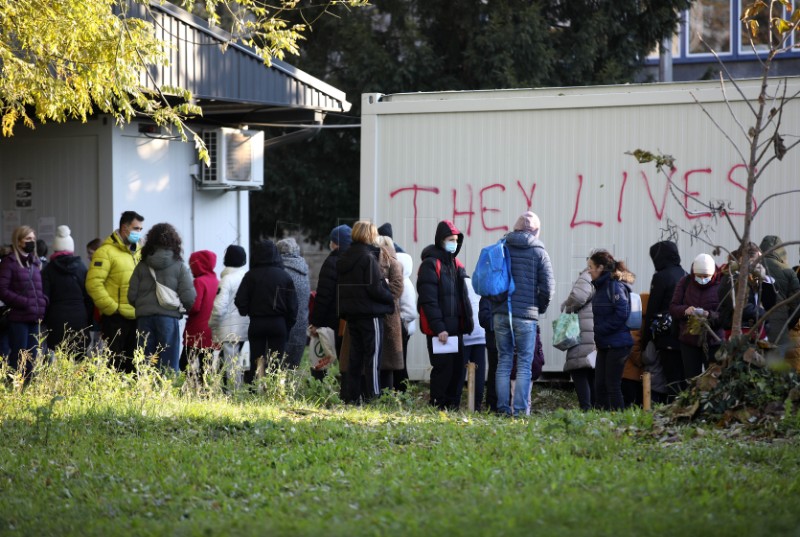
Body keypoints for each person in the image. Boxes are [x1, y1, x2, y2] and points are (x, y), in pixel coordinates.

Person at [493, 212, 554, 416]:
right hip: (526, 316)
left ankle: (502, 409)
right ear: (535, 231)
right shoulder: (539, 253)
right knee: (524, 365)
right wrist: (539, 308)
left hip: (501, 314)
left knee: (504, 361)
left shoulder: (502, 246)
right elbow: (548, 288)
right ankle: (519, 411)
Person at [417, 220, 473, 411]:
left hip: (456, 329)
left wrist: (468, 324)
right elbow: (429, 301)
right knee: (443, 370)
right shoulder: (430, 265)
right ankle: (438, 406)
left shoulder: (456, 265)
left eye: (456, 240)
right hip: (439, 330)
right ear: (441, 240)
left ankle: (453, 406)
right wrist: (439, 327)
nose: (454, 243)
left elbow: (464, 297)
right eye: (450, 239)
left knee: (457, 371)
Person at [337, 221, 395, 404]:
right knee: (373, 357)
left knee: (355, 357)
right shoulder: (368, 258)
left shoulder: (345, 257)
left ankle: (352, 397)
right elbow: (374, 288)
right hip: (370, 314)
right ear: (369, 235)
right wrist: (388, 294)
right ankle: (374, 396)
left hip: (352, 314)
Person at [128, 223, 196, 372]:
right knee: (169, 363)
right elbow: (189, 297)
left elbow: (131, 296)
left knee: (145, 362)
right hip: (168, 319)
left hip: (144, 320)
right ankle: (167, 393)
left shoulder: (141, 266)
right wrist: (184, 309)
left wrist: (143, 306)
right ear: (174, 242)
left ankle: (146, 392)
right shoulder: (180, 266)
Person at [85, 210, 144, 371]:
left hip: (136, 316)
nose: (139, 233)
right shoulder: (105, 252)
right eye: (136, 229)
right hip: (116, 317)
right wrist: (111, 308)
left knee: (133, 365)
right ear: (125, 228)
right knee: (115, 364)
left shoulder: (138, 252)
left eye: (140, 229)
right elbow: (93, 283)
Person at [235, 239, 298, 382]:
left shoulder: (250, 276)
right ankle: (273, 391)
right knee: (276, 362)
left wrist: (247, 311)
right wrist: (287, 324)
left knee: (256, 360)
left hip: (257, 322)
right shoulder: (284, 276)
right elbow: (293, 306)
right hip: (278, 323)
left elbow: (240, 300)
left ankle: (254, 391)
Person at [588, 249, 635, 411]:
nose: (589, 270)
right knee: (599, 385)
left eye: (591, 267)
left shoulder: (614, 287)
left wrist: (601, 329)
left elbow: (622, 313)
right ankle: (603, 418)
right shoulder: (600, 287)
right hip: (605, 344)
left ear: (600, 268)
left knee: (612, 386)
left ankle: (619, 420)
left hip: (618, 344)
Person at [641, 240, 687, 400]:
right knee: (683, 380)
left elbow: (653, 308)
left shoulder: (661, 277)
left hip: (666, 337)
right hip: (685, 336)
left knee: (669, 379)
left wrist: (645, 340)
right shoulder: (685, 274)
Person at [0, 226, 48, 378]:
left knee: (32, 357)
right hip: (19, 318)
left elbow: (40, 288)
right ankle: (13, 388)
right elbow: (2, 290)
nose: (31, 242)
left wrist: (43, 301)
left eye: (33, 239)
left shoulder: (34, 263)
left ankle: (27, 390)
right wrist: (24, 302)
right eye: (28, 239)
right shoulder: (10, 263)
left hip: (34, 317)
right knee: (19, 356)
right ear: (18, 241)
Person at [669, 253, 724, 381]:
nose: (702, 279)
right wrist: (685, 310)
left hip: (714, 341)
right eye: (699, 276)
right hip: (689, 340)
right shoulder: (685, 282)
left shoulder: (722, 284)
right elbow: (673, 307)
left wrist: (709, 315)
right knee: (691, 380)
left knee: (714, 380)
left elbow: (726, 315)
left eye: (706, 276)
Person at [308, 224, 352, 381]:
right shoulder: (356, 259)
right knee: (346, 357)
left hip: (330, 320)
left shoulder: (332, 261)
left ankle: (319, 386)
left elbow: (324, 295)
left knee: (321, 355)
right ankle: (347, 390)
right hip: (349, 319)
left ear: (336, 243)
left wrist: (315, 322)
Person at [41, 225, 93, 354]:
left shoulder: (48, 270)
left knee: (57, 356)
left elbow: (44, 297)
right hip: (79, 317)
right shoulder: (81, 268)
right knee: (79, 357)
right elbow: (89, 296)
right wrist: (88, 318)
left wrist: (44, 321)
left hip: (56, 318)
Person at [718, 242, 777, 343]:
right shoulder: (731, 278)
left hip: (758, 330)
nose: (755, 265)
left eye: (757, 261)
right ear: (741, 259)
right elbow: (741, 307)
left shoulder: (756, 277)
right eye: (752, 261)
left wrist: (765, 280)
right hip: (738, 331)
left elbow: (770, 303)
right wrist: (764, 314)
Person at [209, 245, 249, 388]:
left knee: (231, 364)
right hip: (245, 327)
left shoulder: (227, 280)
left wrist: (212, 324)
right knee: (235, 362)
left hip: (228, 330)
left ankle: (233, 395)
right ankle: (234, 392)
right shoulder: (247, 277)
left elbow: (219, 308)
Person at [560, 265, 596, 411]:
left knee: (578, 369)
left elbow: (577, 297)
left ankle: (586, 410)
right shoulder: (606, 279)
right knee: (591, 373)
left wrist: (565, 307)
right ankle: (594, 410)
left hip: (582, 332)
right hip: (594, 331)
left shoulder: (587, 275)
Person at [758, 235, 800, 348]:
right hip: (779, 329)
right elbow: (797, 305)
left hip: (756, 328)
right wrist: (787, 325)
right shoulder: (788, 272)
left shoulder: (753, 267)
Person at [375, 236, 404, 392]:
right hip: (384, 316)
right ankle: (381, 395)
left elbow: (397, 288)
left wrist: (379, 290)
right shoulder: (372, 262)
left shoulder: (393, 263)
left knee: (386, 363)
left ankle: (384, 396)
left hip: (388, 318)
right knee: (382, 363)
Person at [277, 238, 311, 369]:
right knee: (292, 369)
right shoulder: (304, 269)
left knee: (276, 368)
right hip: (301, 325)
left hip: (283, 327)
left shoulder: (280, 271)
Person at [182, 250, 219, 371]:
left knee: (185, 365)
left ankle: (188, 388)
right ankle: (205, 389)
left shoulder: (199, 282)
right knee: (206, 367)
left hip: (196, 331)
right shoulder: (216, 281)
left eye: (192, 265)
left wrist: (182, 307)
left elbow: (195, 306)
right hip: (211, 331)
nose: (191, 269)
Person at [461, 276, 487, 411]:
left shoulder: (457, 284)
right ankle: (476, 405)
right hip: (480, 333)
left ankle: (455, 402)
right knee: (479, 371)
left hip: (465, 333)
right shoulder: (474, 283)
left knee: (459, 371)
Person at [394, 247, 417, 391]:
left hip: (402, 328)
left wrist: (395, 319)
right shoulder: (403, 281)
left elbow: (410, 312)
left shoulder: (404, 283)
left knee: (400, 365)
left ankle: (402, 391)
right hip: (402, 327)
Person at [478, 296, 499, 411]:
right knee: (494, 372)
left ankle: (505, 404)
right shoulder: (488, 296)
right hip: (494, 340)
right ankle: (492, 405)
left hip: (506, 340)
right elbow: (484, 318)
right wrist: (499, 325)